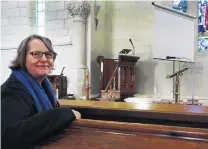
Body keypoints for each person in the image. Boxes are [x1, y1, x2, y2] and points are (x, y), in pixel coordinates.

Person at [1, 34, 81, 149]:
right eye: (36, 54)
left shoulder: (45, 87)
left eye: (48, 54)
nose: (44, 59)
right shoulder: (12, 90)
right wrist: (65, 113)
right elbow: (10, 137)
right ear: (22, 58)